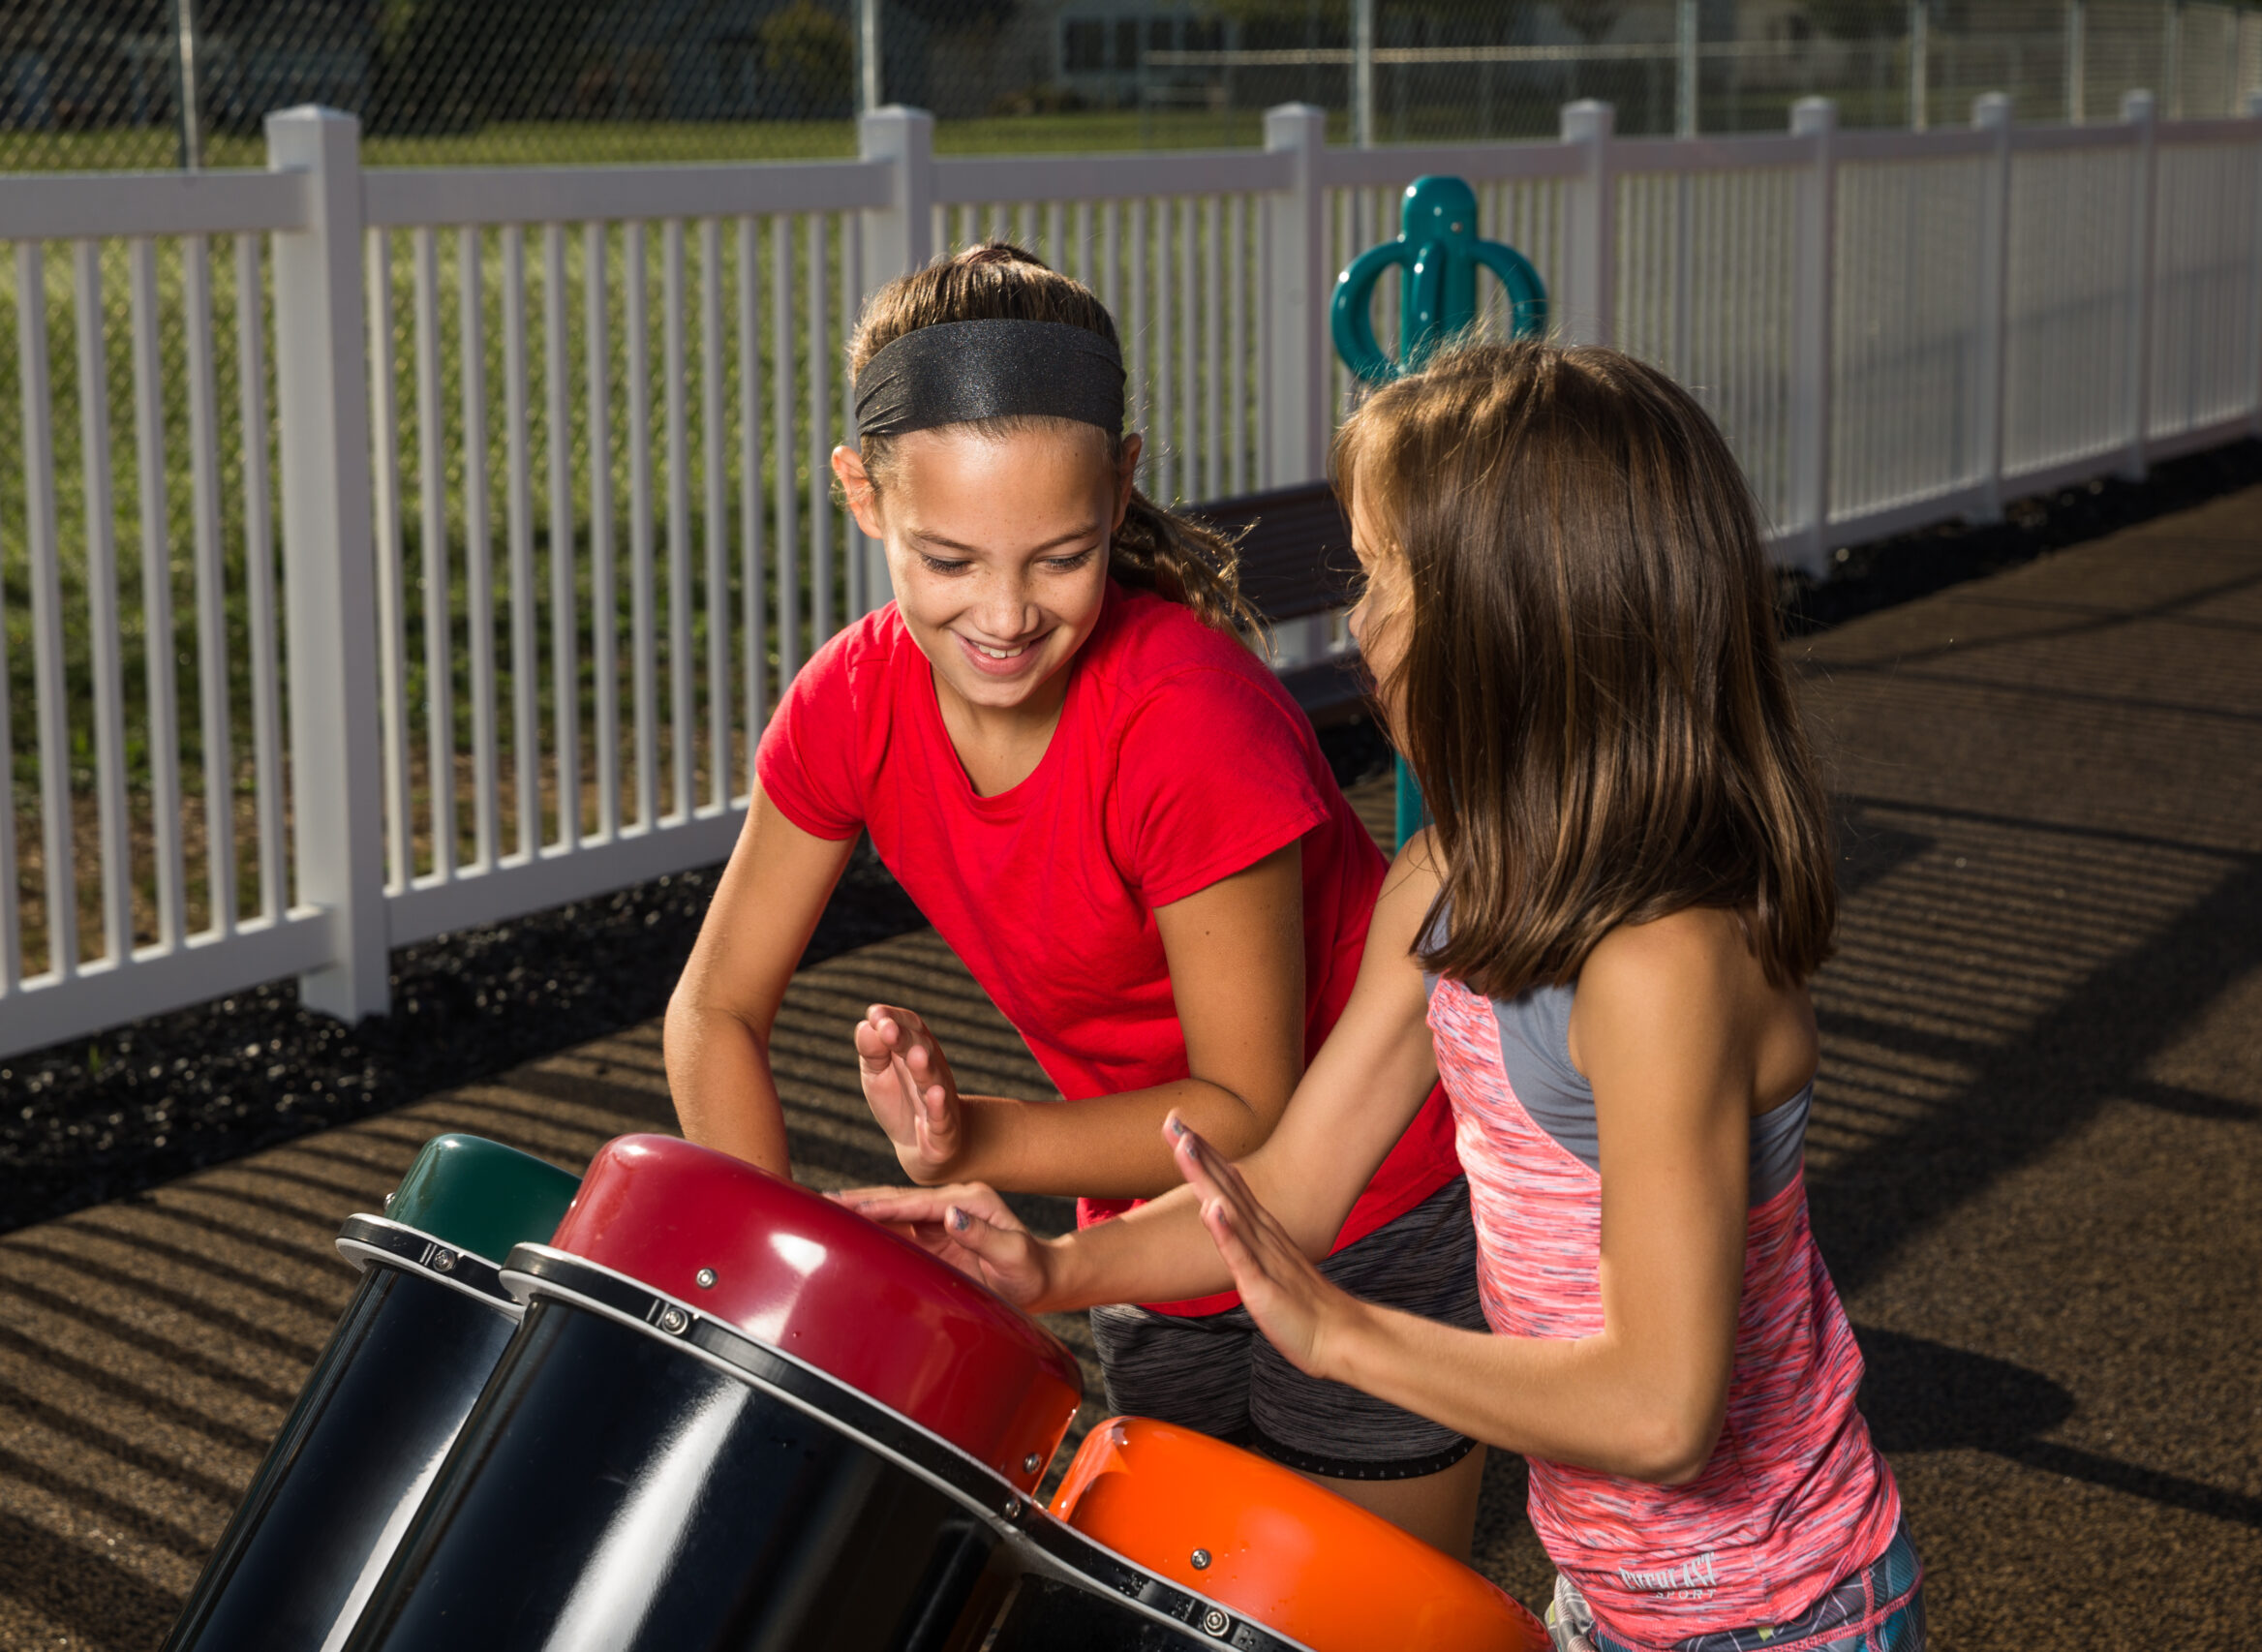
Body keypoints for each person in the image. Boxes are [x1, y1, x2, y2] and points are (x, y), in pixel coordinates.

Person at [842, 343, 1924, 1651]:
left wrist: (1340, 1331)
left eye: (1383, 577)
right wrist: (1054, 1267)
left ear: (1505, 618)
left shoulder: (1662, 960)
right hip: (1609, 1597)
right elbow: (1294, 1185)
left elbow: (1661, 1407)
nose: (1358, 622)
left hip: (1781, 1617)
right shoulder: (1453, 873)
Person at [660, 244, 1488, 1553]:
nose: (1002, 613)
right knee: (1174, 1600)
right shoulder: (849, 701)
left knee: (1365, 1609)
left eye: (1059, 557)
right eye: (948, 559)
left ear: (1122, 490)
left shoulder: (1186, 720)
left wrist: (969, 1141)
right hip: (1150, 1229)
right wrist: (776, 1300)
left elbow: (1251, 1110)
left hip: (1365, 1197)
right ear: (862, 497)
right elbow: (712, 1009)